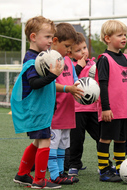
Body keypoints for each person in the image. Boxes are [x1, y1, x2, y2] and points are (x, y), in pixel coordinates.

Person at [11, 16, 63, 189]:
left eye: (51, 37)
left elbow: (47, 87)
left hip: (42, 110)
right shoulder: (32, 60)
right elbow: (34, 84)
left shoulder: (41, 57)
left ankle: (22, 173)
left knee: (37, 142)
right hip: (36, 110)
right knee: (45, 140)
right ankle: (39, 180)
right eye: (47, 37)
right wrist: (53, 75)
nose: (51, 41)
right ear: (33, 37)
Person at [95, 20, 127, 182]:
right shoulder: (104, 59)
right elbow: (103, 85)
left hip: (126, 109)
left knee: (122, 138)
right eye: (119, 35)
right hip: (111, 110)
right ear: (107, 38)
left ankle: (121, 168)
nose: (124, 38)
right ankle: (104, 170)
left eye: (125, 35)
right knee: (105, 138)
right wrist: (105, 108)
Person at [65, 32, 107, 176]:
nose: (83, 52)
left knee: (100, 136)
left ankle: (104, 163)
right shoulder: (70, 65)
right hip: (77, 110)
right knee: (77, 139)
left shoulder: (94, 64)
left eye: (84, 48)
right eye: (78, 50)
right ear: (70, 53)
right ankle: (74, 164)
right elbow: (69, 81)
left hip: (94, 109)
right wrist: (79, 67)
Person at [47, 23, 82, 185]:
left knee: (63, 144)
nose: (69, 50)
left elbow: (75, 81)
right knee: (53, 144)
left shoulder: (68, 60)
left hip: (69, 111)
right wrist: (68, 88)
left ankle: (61, 173)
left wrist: (84, 90)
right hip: (55, 113)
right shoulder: (48, 60)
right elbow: (49, 84)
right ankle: (54, 175)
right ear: (55, 41)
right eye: (66, 46)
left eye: (71, 47)